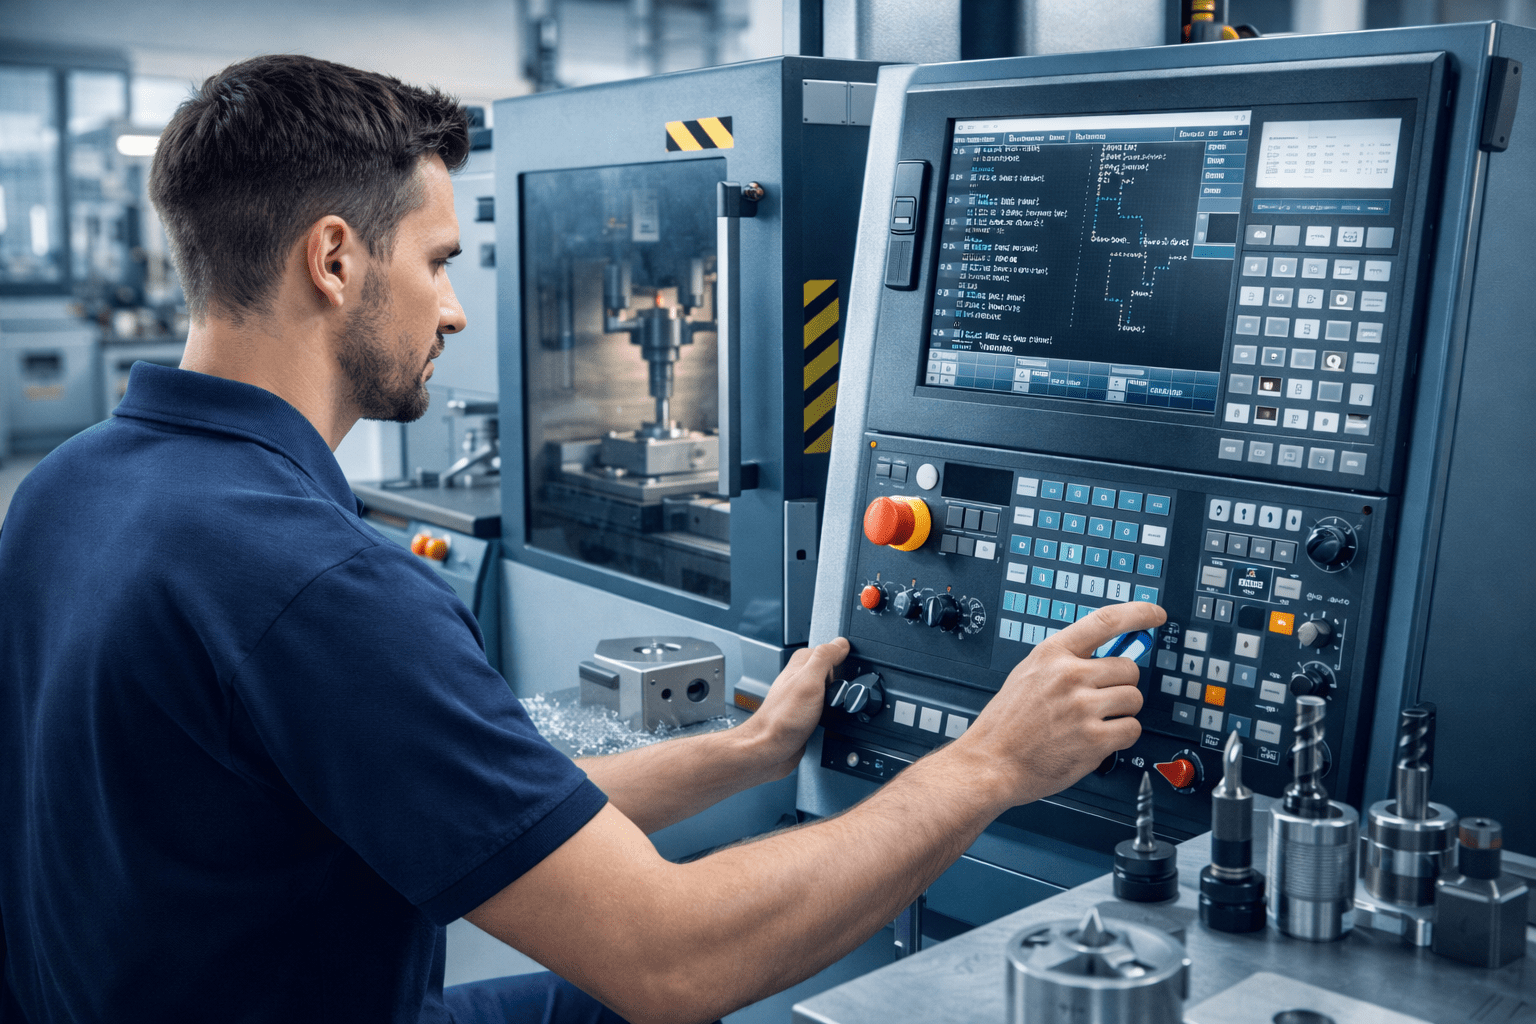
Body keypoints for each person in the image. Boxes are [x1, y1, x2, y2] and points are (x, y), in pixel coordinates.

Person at [0, 54, 1163, 1024]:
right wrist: (989, 764)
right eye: (441, 263)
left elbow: (474, 798)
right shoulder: (324, 587)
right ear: (336, 258)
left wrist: (749, 750)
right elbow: (675, 959)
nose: (456, 310)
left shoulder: (64, 492)